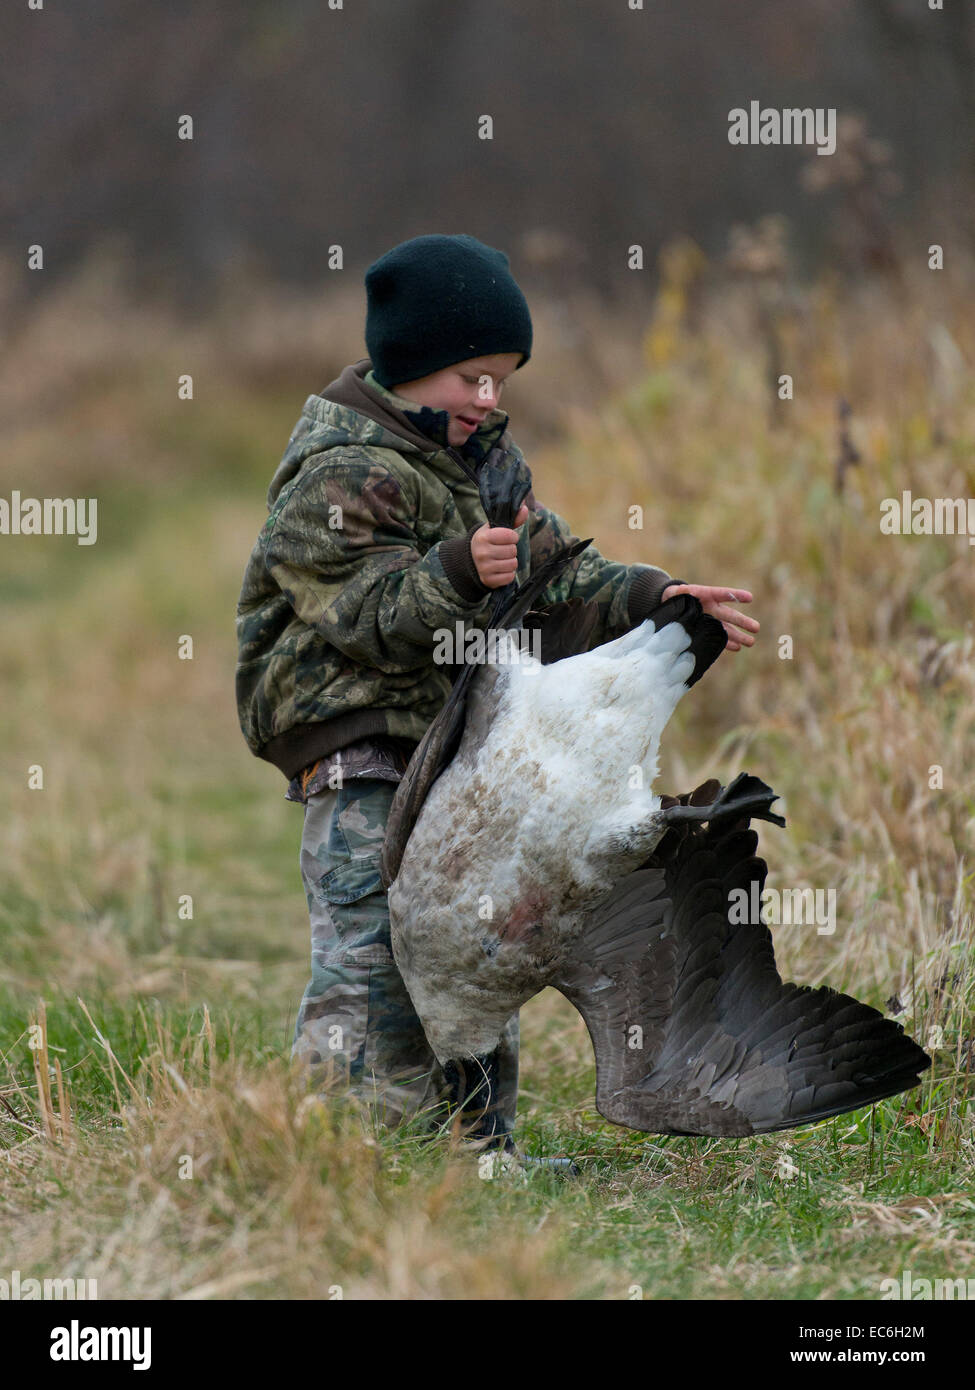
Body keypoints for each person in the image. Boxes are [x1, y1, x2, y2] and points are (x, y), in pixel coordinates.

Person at [234, 233, 759, 1149]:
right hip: (356, 743)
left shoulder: (490, 473)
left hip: (456, 743)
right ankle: (335, 1144)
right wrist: (455, 571)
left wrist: (651, 599)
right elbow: (357, 609)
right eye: (470, 377)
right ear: (410, 366)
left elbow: (554, 577)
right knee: (375, 948)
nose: (488, 399)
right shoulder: (340, 474)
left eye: (503, 380)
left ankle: (477, 1152)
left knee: (479, 945)